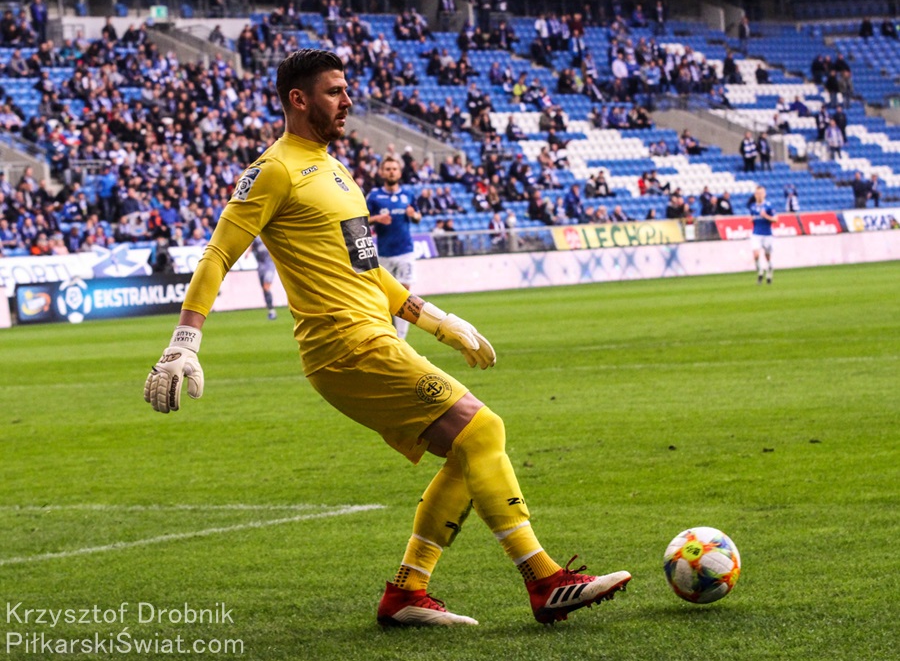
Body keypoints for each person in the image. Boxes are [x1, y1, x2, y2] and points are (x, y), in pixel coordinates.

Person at [143, 49, 631, 628]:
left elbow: (370, 270)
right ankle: (544, 581)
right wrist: (185, 339)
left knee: (471, 448)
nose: (347, 101)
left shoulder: (336, 171)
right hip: (344, 346)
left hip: (372, 336)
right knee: (483, 430)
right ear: (298, 99)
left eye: (346, 90)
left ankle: (407, 593)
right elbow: (218, 253)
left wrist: (440, 322)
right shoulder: (274, 169)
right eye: (334, 91)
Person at [366, 156, 422, 340]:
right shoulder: (374, 196)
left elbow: (418, 216)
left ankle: (401, 339)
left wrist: (414, 215)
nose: (391, 172)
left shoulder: (408, 194)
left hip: (405, 251)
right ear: (382, 172)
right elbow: (362, 219)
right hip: (384, 254)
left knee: (405, 294)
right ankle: (389, 335)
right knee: (386, 298)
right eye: (388, 169)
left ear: (399, 172)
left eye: (394, 169)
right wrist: (377, 219)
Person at [747, 185, 776, 284]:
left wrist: (766, 216)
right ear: (755, 195)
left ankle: (769, 272)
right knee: (756, 255)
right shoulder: (753, 207)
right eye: (757, 193)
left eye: (761, 193)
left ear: (764, 194)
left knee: (767, 256)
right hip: (756, 234)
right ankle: (760, 272)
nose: (759, 195)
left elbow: (776, 219)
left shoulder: (769, 206)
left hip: (767, 234)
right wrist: (751, 219)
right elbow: (753, 218)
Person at [251, 235, 278, 320]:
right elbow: (251, 245)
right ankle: (271, 310)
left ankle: (272, 311)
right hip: (261, 266)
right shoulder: (256, 237)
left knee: (266, 287)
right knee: (264, 289)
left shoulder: (269, 234)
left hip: (270, 265)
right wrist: (248, 253)